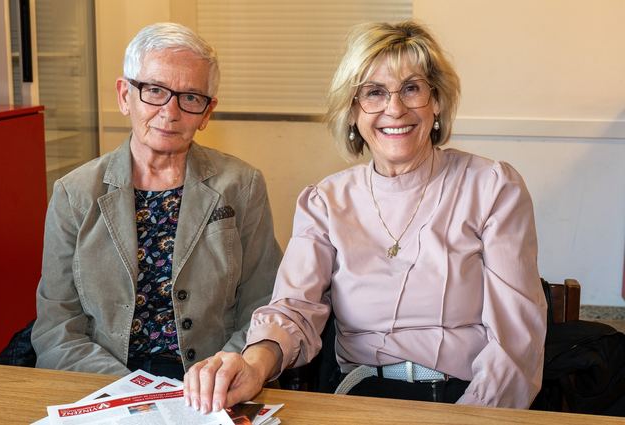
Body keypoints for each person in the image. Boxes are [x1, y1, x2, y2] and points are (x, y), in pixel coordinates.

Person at [183, 19, 547, 411]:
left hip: (463, 396)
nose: (395, 109)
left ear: (437, 101)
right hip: (360, 397)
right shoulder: (325, 202)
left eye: (412, 88)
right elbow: (294, 308)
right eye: (374, 92)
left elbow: (516, 340)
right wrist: (254, 364)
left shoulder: (492, 187)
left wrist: (471, 417)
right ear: (353, 111)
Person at [31, 22, 282, 380]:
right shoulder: (74, 194)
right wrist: (130, 389)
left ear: (207, 112)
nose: (170, 111)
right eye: (154, 90)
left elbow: (263, 304)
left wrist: (225, 371)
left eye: (190, 97)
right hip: (103, 377)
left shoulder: (242, 185)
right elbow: (57, 328)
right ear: (125, 96)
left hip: (209, 377)